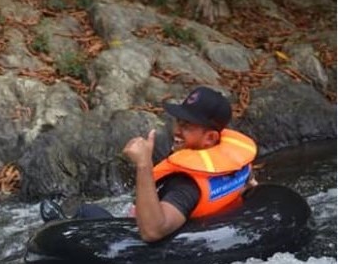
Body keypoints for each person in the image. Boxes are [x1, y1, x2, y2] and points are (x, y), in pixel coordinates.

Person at [40, 86, 258, 242]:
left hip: (143, 248)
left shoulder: (185, 185)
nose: (176, 131)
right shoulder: (235, 164)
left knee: (86, 213)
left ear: (210, 138)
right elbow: (250, 184)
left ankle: (56, 226)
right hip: (203, 231)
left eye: (187, 126)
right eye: (178, 122)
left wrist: (143, 164)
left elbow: (153, 231)